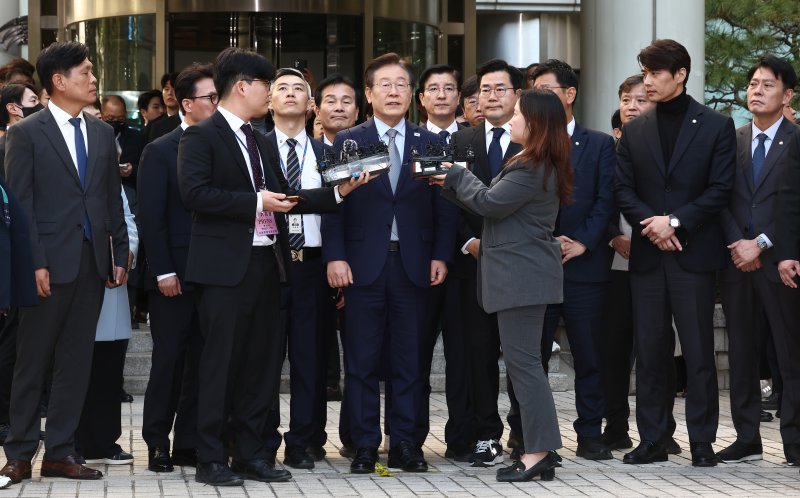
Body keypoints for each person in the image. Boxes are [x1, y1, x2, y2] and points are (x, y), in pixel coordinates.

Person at [177, 47, 368, 487]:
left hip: (268, 264)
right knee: (220, 364)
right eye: (267, 86)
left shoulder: (260, 140)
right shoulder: (202, 136)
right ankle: (211, 457)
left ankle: (251, 453)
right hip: (224, 270)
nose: (270, 95)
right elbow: (195, 195)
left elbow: (289, 196)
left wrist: (341, 192)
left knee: (260, 366)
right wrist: (254, 202)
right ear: (243, 86)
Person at [321, 52, 458, 474]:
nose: (394, 91)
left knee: (411, 361)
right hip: (361, 266)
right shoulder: (350, 141)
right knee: (360, 361)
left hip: (415, 266)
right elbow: (333, 205)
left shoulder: (429, 142)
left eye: (401, 84)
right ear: (369, 93)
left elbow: (445, 207)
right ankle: (364, 445)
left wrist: (441, 255)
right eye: (385, 84)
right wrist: (336, 257)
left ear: (411, 94)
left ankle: (407, 444)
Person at [0, 41, 129, 485]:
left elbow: (111, 200)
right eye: (86, 72)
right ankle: (18, 453)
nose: (93, 79)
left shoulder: (101, 134)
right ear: (59, 81)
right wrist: (32, 262)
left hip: (92, 264)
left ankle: (60, 451)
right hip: (46, 267)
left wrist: (119, 254)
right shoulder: (26, 133)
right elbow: (20, 205)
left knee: (76, 362)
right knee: (31, 361)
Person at [432, 88, 572, 482]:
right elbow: (493, 207)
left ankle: (539, 452)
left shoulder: (533, 166)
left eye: (518, 114)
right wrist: (452, 181)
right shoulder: (533, 162)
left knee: (525, 368)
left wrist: (457, 174)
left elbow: (491, 204)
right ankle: (537, 450)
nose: (510, 119)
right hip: (520, 277)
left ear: (537, 123)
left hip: (522, 278)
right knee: (525, 366)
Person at [615, 38, 735, 467]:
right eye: (644, 73)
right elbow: (623, 189)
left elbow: (720, 189)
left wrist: (676, 222)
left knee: (700, 353)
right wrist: (654, 224)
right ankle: (653, 438)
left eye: (654, 74)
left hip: (694, 254)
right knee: (650, 352)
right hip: (649, 255)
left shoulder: (716, 125)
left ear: (679, 75)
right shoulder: (634, 129)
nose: (647, 82)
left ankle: (702, 440)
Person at [531, 59, 616, 461]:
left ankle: (590, 434)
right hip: (536, 266)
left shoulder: (599, 144)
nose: (539, 99)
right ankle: (529, 433)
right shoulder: (525, 143)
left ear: (569, 94)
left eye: (546, 91)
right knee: (531, 357)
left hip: (585, 267)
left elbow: (606, 200)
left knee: (589, 355)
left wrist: (582, 242)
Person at [719, 55, 800, 465]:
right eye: (753, 84)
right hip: (737, 262)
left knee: (788, 353)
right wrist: (738, 242)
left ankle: (794, 441)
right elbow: (721, 198)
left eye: (768, 85)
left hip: (779, 262)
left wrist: (762, 244)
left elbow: (795, 205)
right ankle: (746, 435)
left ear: (787, 95)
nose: (757, 91)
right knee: (742, 353)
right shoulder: (730, 140)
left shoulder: (797, 139)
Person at [138, 63, 216, 473]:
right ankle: (156, 443)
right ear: (187, 104)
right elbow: (151, 217)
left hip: (216, 275)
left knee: (204, 362)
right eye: (210, 98)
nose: (217, 105)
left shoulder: (223, 146)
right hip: (173, 275)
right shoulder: (161, 149)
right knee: (168, 361)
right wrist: (163, 271)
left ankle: (189, 442)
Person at [263, 67, 335, 470]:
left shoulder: (327, 153)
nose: (290, 94)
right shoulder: (255, 148)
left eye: (298, 90)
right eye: (281, 89)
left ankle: (303, 441)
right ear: (269, 101)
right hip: (268, 267)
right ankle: (264, 437)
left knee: (310, 359)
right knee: (266, 360)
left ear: (311, 106)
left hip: (312, 267)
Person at [75, 189, 137, 465]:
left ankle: (104, 442)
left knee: (109, 367)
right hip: (73, 278)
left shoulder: (112, 181)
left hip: (112, 279)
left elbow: (127, 222)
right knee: (73, 370)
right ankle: (71, 443)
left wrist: (124, 257)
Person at [101, 95, 145, 192]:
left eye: (120, 119)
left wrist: (132, 170)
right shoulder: (93, 136)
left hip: (129, 192)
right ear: (102, 115)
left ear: (125, 115)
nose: (115, 122)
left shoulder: (137, 137)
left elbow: (148, 169)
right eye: (111, 118)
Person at [0, 83, 42, 179]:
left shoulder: (45, 135)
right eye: (33, 100)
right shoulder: (3, 150)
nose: (40, 106)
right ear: (13, 108)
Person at [314, 74, 360, 146]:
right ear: (318, 112)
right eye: (331, 101)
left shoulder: (372, 149)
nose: (339, 108)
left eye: (346, 102)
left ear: (356, 112)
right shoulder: (308, 152)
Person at [147, 73, 181, 142]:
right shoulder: (155, 126)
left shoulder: (190, 120)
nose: (170, 93)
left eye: (174, 89)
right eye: (166, 89)